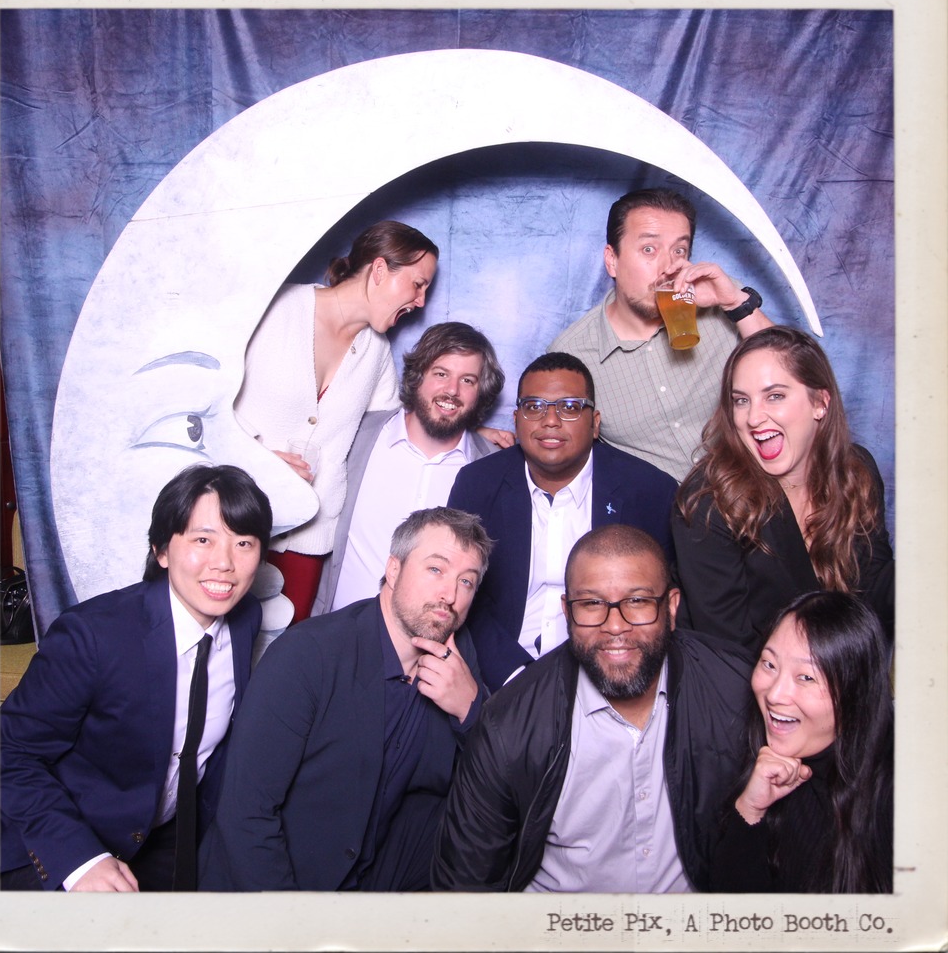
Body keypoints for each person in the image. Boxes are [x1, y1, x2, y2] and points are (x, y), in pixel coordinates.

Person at [431, 524, 752, 892]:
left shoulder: (737, 688)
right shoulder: (509, 726)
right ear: (567, 612)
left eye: (637, 601)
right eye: (592, 604)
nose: (615, 626)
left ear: (672, 606)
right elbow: (464, 887)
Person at [0, 464, 271, 892]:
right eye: (203, 540)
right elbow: (9, 752)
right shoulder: (92, 636)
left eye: (243, 543)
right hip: (61, 838)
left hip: (168, 837)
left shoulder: (244, 617)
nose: (224, 563)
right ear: (161, 550)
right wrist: (80, 860)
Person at [198, 507, 493, 892]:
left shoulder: (460, 662)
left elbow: (487, 799)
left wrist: (472, 710)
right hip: (271, 895)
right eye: (435, 569)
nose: (449, 595)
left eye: (466, 581)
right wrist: (296, 921)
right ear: (393, 570)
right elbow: (245, 815)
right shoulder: (308, 655)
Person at [234, 219, 439, 622]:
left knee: (286, 650)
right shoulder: (276, 309)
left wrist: (464, 429)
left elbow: (391, 429)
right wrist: (255, 461)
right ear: (379, 270)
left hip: (309, 537)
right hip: (234, 515)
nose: (421, 302)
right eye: (418, 284)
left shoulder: (376, 352)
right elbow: (205, 404)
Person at [447, 351, 678, 692]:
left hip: (609, 675)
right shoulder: (478, 484)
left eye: (569, 407)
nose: (550, 421)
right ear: (516, 420)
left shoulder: (649, 491)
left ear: (594, 423)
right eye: (534, 407)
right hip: (501, 678)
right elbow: (459, 595)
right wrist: (515, 679)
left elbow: (660, 608)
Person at [672, 325, 894, 650]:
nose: (753, 417)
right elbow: (726, 647)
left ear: (820, 403)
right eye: (741, 401)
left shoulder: (857, 471)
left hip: (845, 666)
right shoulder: (708, 502)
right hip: (749, 676)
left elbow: (873, 590)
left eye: (774, 396)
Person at [548, 187, 772, 481]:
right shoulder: (572, 355)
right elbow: (557, 449)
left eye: (679, 251)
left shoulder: (721, 297)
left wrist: (735, 304)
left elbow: (794, 378)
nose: (668, 268)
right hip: (662, 506)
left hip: (752, 486)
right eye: (649, 250)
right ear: (612, 260)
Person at [314, 321, 505, 615]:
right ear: (418, 376)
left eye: (468, 380)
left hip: (427, 639)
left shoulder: (492, 468)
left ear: (481, 391)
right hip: (335, 627)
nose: (452, 390)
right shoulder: (358, 434)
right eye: (441, 374)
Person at [709, 591, 893, 893]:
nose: (774, 694)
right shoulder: (762, 764)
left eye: (806, 677)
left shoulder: (899, 802)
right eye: (769, 664)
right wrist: (749, 810)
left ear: (854, 692)